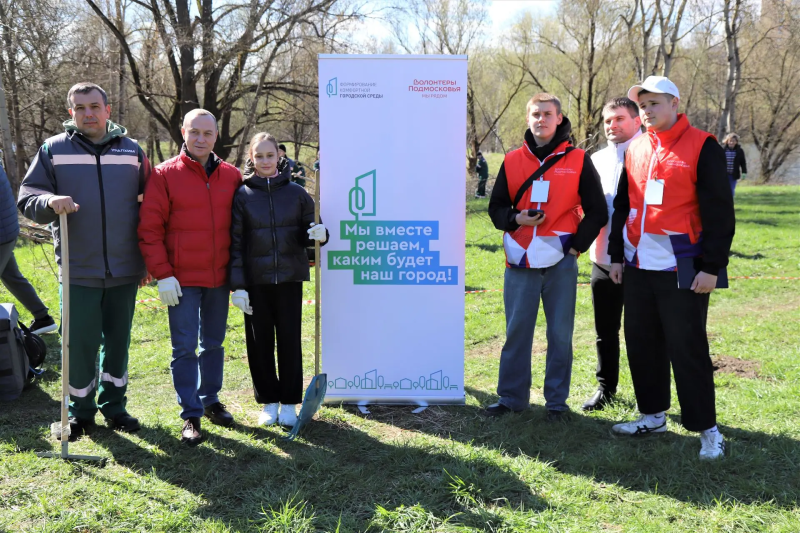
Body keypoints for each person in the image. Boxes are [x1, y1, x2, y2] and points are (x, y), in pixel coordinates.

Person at [608, 76, 735, 460]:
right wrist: (617, 254)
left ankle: (708, 429)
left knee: (687, 347)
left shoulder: (703, 145)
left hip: (682, 266)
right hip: (638, 264)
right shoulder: (637, 147)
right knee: (642, 342)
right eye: (642, 106)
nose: (647, 111)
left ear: (675, 103)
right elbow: (622, 205)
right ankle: (652, 415)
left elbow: (719, 211)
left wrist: (712, 266)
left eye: (654, 104)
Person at [18, 82, 150, 440]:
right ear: (70, 113)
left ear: (108, 110)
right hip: (79, 269)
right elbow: (28, 196)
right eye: (80, 108)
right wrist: (48, 202)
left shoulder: (132, 151)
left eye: (95, 106)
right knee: (79, 345)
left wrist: (149, 259)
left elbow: (152, 208)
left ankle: (115, 407)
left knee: (118, 342)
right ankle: (80, 411)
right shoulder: (53, 150)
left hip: (125, 268)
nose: (88, 113)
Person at [487, 93, 607, 421]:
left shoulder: (578, 159)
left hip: (560, 262)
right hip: (520, 261)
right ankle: (511, 399)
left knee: (559, 334)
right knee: (517, 332)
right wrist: (516, 219)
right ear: (528, 118)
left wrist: (575, 248)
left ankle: (556, 403)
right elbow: (495, 208)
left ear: (559, 118)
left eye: (547, 114)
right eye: (536, 114)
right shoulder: (511, 160)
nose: (541, 119)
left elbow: (597, 212)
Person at [138, 109, 243, 446]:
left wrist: (240, 278)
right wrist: (163, 274)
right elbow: (150, 229)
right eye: (194, 132)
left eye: (207, 133)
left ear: (216, 137)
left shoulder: (232, 176)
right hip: (181, 279)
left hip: (219, 276)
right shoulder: (164, 174)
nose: (200, 138)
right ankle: (190, 414)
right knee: (184, 347)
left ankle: (210, 400)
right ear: (183, 132)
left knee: (213, 343)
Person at [229, 132, 328, 427]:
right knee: (259, 345)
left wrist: (321, 235)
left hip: (288, 278)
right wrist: (238, 286)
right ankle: (269, 402)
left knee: (288, 340)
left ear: (279, 156)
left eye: (270, 155)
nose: (265, 161)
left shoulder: (297, 193)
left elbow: (309, 234)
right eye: (258, 156)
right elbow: (235, 244)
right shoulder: (242, 195)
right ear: (251, 158)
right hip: (256, 282)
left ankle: (289, 403)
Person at [582, 97, 642, 411]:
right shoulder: (596, 159)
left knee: (644, 332)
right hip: (602, 258)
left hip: (642, 260)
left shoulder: (651, 153)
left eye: (619, 118)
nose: (612, 125)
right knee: (605, 330)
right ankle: (606, 389)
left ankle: (650, 396)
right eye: (607, 120)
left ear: (637, 121)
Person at [0, 164, 58, 335]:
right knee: (11, 276)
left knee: (11, 276)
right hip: (6, 229)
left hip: (2, 232)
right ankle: (43, 318)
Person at [722, 133, 747, 198]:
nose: (731, 142)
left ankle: (730, 204)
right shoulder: (722, 150)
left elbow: (743, 162)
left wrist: (744, 172)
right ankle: (722, 205)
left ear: (736, 142)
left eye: (733, 141)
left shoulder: (739, 151)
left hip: (733, 175)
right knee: (722, 190)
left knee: (731, 190)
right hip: (723, 174)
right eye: (730, 141)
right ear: (727, 141)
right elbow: (716, 161)